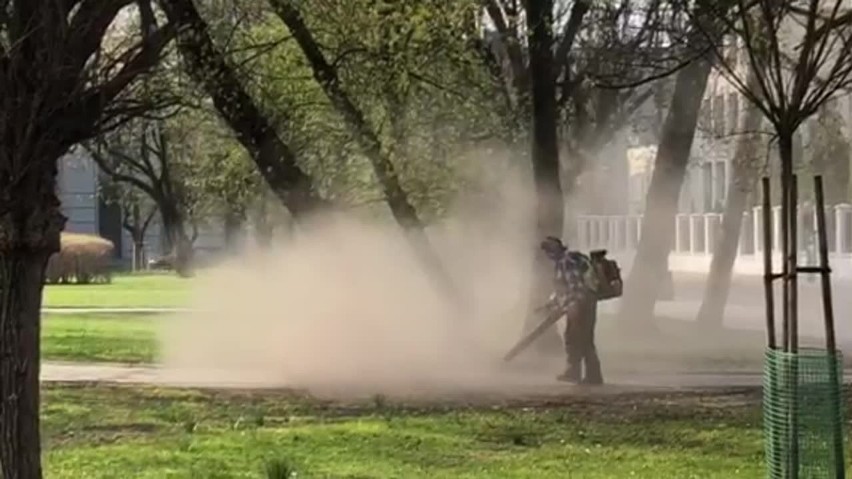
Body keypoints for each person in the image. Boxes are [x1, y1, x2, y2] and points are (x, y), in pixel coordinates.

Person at [539, 236, 603, 385]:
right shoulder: (567, 261)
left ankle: (586, 375)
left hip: (581, 305)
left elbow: (576, 288)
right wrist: (550, 305)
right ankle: (583, 374)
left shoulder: (566, 262)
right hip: (582, 304)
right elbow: (564, 289)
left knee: (580, 339)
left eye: (547, 252)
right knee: (579, 339)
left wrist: (573, 306)